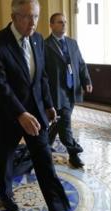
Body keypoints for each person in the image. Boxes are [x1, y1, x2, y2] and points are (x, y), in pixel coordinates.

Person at [0, 1, 86, 211]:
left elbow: (42, 77)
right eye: (27, 17)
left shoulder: (38, 40)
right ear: (14, 16)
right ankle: (5, 193)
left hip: (37, 115)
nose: (33, 22)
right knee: (5, 159)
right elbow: (0, 85)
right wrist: (20, 114)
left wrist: (49, 105)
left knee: (45, 163)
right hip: (9, 116)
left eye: (37, 16)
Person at [44, 12, 93, 168]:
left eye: (65, 21)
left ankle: (43, 147)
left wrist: (87, 80)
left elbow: (80, 63)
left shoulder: (72, 43)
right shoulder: (45, 45)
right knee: (65, 123)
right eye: (60, 22)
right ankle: (74, 153)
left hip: (72, 90)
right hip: (56, 92)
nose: (64, 24)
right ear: (51, 25)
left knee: (57, 123)